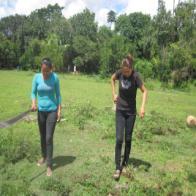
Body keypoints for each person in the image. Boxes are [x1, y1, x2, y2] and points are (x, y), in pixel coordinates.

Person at [111, 54, 148, 180]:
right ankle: (117, 167)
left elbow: (145, 91)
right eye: (124, 71)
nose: (125, 73)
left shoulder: (136, 77)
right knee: (118, 138)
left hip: (131, 112)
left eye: (127, 71)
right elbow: (112, 79)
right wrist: (114, 94)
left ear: (131, 68)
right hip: (120, 110)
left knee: (128, 138)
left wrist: (142, 107)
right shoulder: (120, 72)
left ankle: (125, 163)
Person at [31, 58, 61, 177]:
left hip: (52, 111)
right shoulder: (36, 77)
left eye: (47, 71)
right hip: (41, 111)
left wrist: (59, 110)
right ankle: (44, 156)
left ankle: (49, 164)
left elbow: (58, 95)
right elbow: (33, 92)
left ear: (51, 69)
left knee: (49, 137)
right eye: (43, 71)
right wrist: (33, 103)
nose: (44, 73)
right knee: (43, 136)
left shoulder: (55, 78)